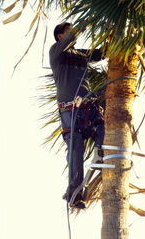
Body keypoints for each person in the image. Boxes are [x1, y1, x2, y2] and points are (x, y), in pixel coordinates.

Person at [49, 22, 105, 209]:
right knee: (75, 149)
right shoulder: (56, 53)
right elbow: (72, 37)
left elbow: (101, 53)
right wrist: (85, 21)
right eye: (67, 31)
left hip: (87, 106)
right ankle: (74, 193)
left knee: (102, 126)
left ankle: (100, 152)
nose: (73, 34)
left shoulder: (81, 55)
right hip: (69, 110)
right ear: (59, 36)